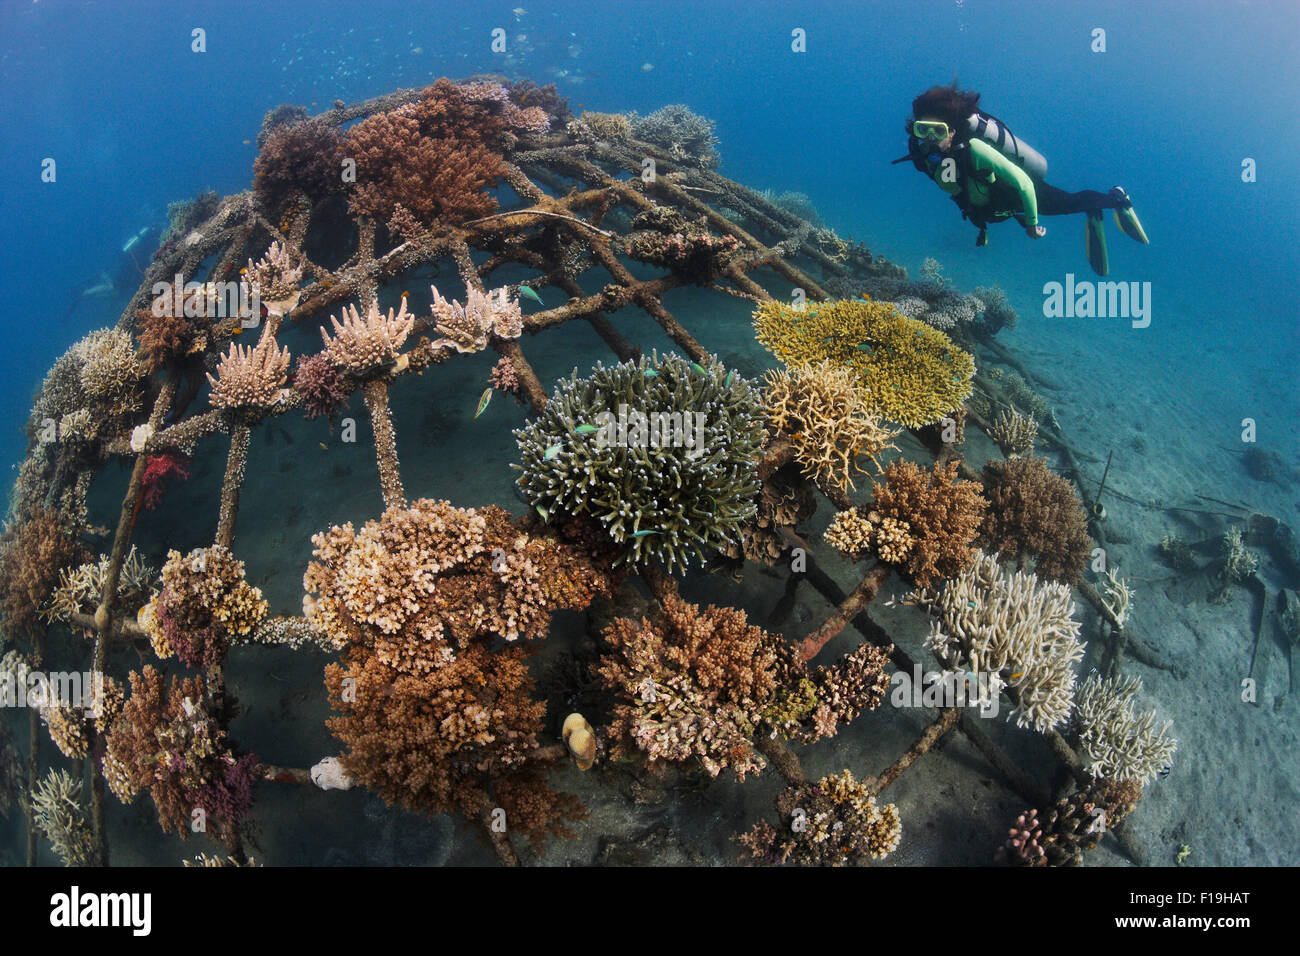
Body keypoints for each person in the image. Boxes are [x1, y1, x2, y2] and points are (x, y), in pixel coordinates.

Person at [897, 84, 1148, 276]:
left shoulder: (974, 148)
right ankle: (1093, 210)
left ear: (952, 131)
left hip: (1019, 193)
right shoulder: (922, 155)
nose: (930, 139)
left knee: (1068, 203)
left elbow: (1024, 184)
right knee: (1066, 204)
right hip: (995, 205)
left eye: (938, 131)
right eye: (922, 130)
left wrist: (1031, 225)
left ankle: (1117, 198)